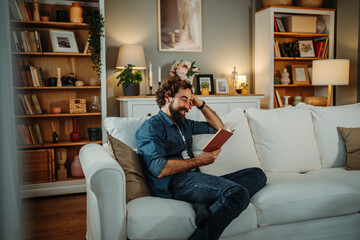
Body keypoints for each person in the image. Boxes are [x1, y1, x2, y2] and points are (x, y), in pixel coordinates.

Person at [136, 77, 267, 240]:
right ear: (167, 98)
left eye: (190, 101)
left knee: (257, 174)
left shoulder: (183, 123)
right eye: (184, 99)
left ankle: (206, 204)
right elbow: (159, 168)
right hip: (174, 182)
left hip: (196, 178)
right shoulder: (151, 127)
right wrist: (200, 160)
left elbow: (219, 128)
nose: (188, 105)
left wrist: (199, 102)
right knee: (238, 194)